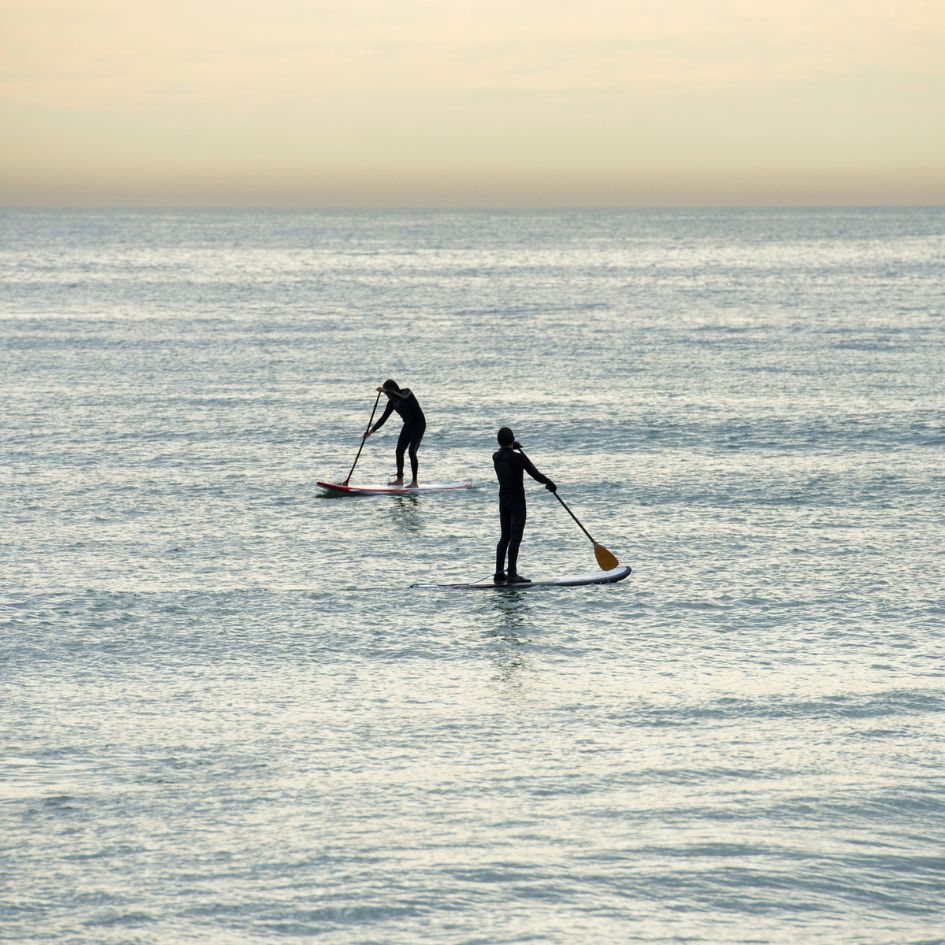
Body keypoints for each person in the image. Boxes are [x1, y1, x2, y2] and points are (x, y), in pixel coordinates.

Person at [492, 427, 556, 584]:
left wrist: (512, 447)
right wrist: (550, 483)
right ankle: (512, 574)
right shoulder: (519, 458)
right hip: (517, 503)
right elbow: (536, 474)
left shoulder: (495, 457)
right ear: (513, 440)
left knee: (504, 538)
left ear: (498, 441)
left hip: (503, 502)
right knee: (515, 539)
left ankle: (499, 573)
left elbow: (505, 452)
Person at [363, 380, 426, 487]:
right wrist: (371, 431)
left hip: (419, 425)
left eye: (387, 393)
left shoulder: (406, 392)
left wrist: (386, 390)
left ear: (392, 389)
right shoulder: (392, 402)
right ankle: (400, 479)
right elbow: (383, 418)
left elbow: (403, 398)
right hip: (408, 425)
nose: (387, 396)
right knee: (399, 451)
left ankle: (414, 482)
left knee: (411, 452)